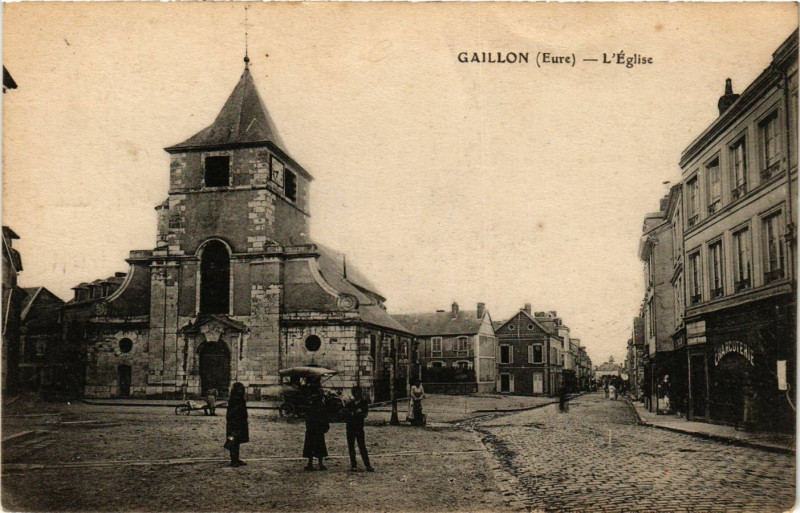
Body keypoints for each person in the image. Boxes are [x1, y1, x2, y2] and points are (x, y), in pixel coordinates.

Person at [344, 386, 374, 472]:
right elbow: (345, 414)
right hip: (350, 428)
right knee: (351, 447)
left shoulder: (364, 403)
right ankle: (353, 465)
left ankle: (367, 465)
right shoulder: (349, 404)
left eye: (358, 392)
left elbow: (365, 414)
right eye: (355, 393)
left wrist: (356, 413)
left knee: (362, 447)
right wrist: (352, 413)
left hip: (359, 428)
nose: (356, 394)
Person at [302, 381, 329, 471]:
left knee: (314, 445)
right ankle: (317, 464)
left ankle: (312, 464)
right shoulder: (317, 401)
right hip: (315, 426)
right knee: (318, 445)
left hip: (314, 426)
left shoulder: (313, 400)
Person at [225, 382, 249, 468]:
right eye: (239, 389)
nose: (241, 391)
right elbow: (231, 414)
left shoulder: (240, 399)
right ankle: (233, 460)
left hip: (240, 424)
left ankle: (236, 459)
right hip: (234, 424)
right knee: (232, 441)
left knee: (237, 441)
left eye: (242, 389)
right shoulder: (235, 400)